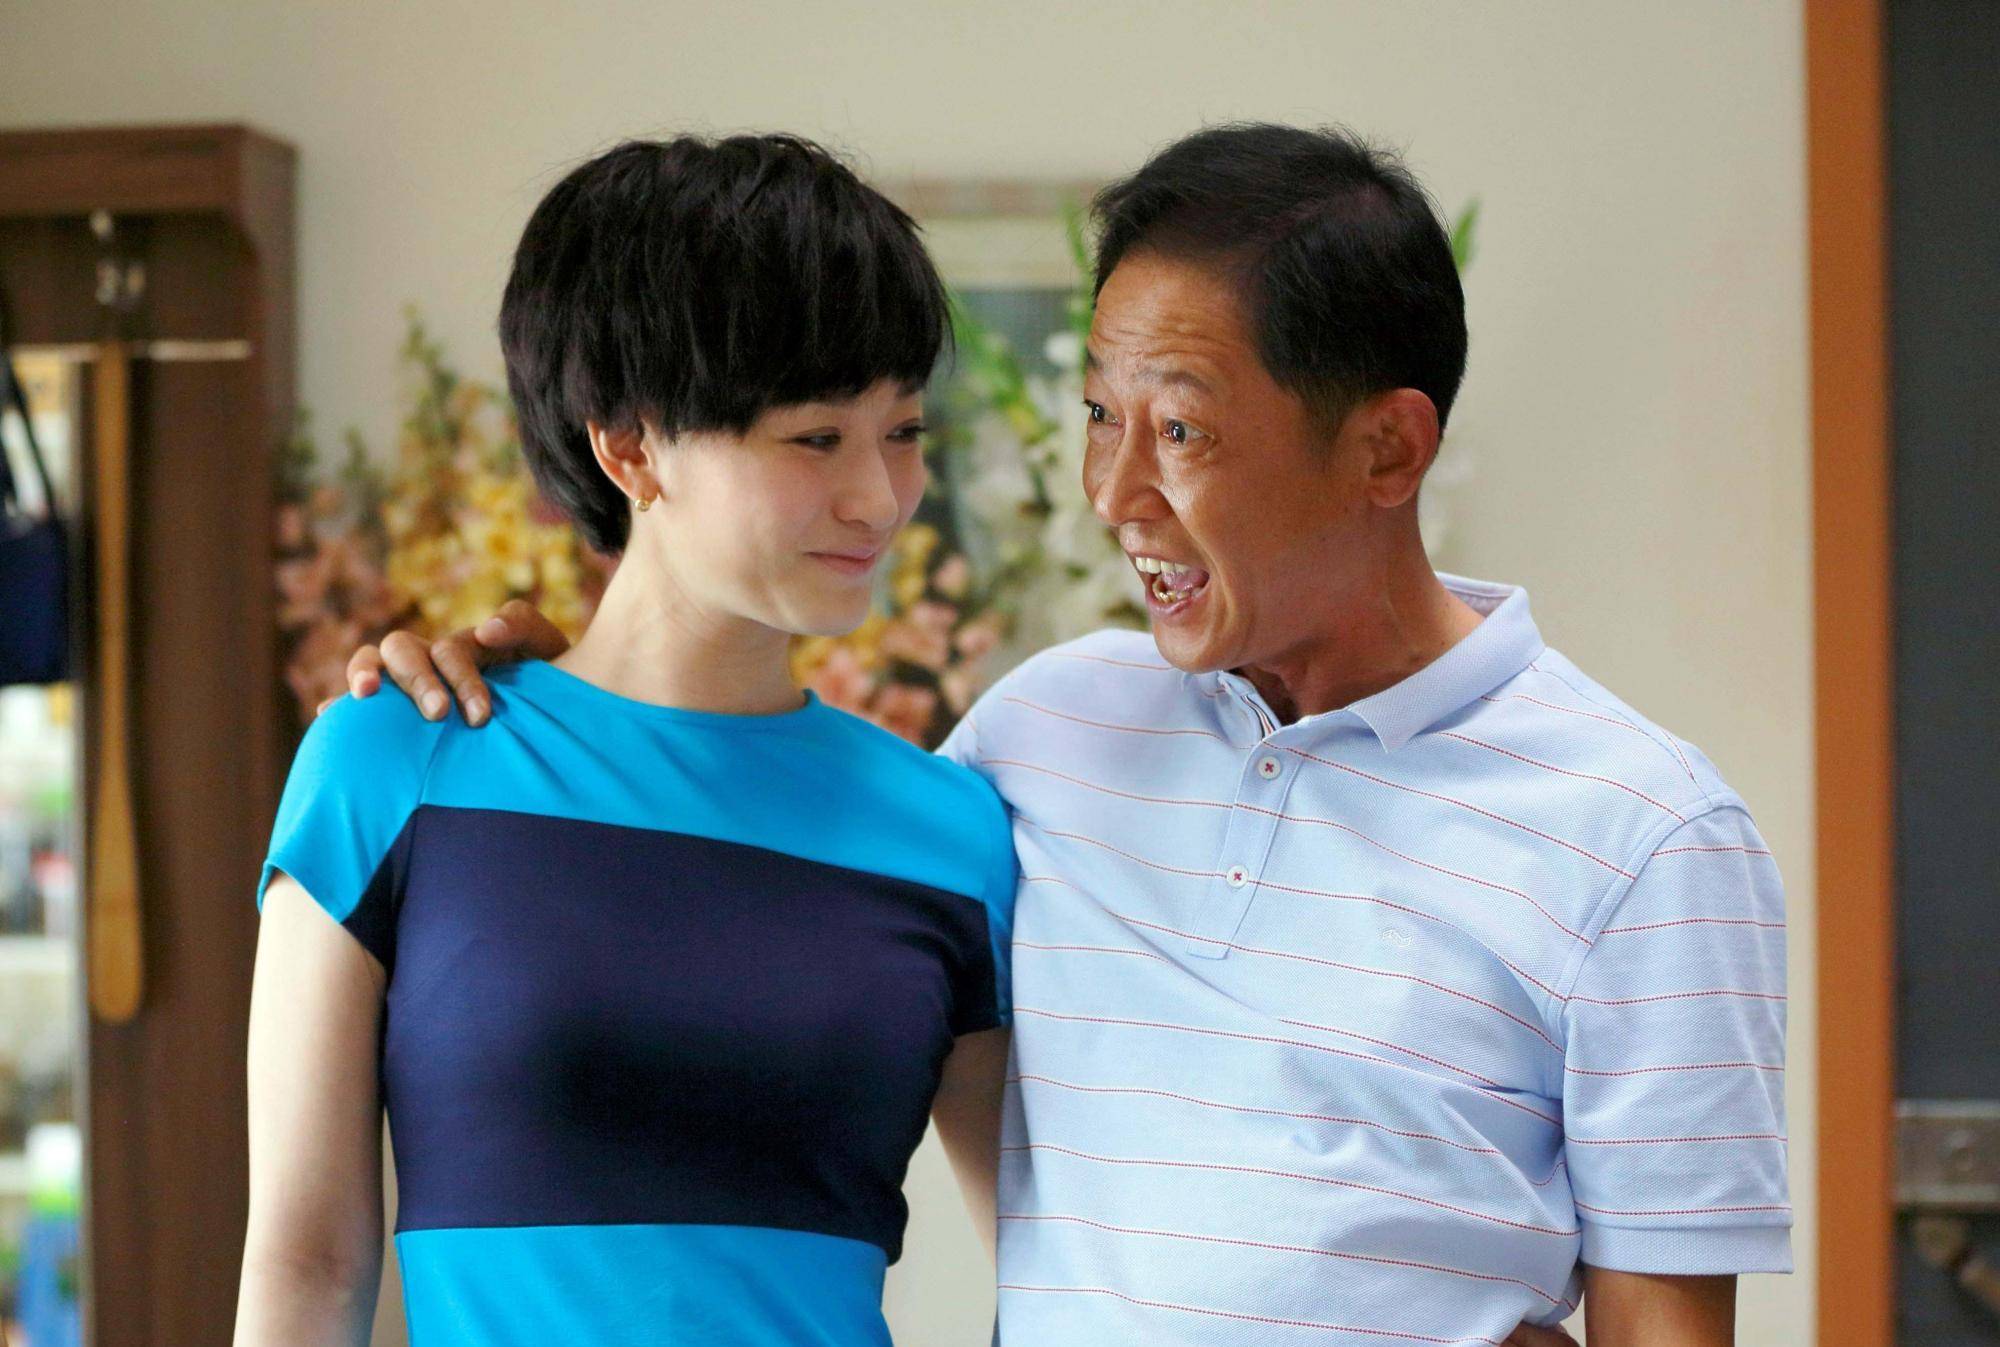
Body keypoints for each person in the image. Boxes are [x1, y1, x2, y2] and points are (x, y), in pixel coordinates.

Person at [348, 124, 1789, 1346]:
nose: (1113, 492)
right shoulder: (1046, 732)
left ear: (1387, 449)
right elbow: (741, 869)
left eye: (1182, 432)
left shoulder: (1646, 837)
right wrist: (533, 691)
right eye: (1100, 414)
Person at [233, 134, 1021, 1347]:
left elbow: (1065, 1268)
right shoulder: (398, 764)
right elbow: (306, 1264)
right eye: (816, 438)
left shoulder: (949, 832)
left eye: (903, 431)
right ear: (630, 447)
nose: (878, 496)